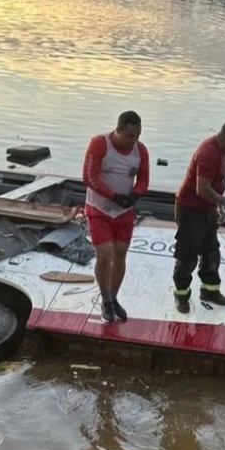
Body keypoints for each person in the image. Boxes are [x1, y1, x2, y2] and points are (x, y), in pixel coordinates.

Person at [172, 119, 225, 314]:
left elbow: (216, 182)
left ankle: (210, 291)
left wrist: (217, 207)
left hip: (207, 209)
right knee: (187, 257)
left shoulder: (222, 151)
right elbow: (202, 189)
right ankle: (181, 296)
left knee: (211, 253)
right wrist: (224, 201)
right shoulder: (208, 152)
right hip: (190, 210)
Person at [82, 110, 150, 322]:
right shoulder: (100, 143)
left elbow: (144, 179)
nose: (133, 141)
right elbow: (88, 176)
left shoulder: (140, 151)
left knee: (120, 253)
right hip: (99, 208)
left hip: (123, 211)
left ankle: (113, 297)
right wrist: (112, 195)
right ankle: (105, 299)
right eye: (129, 136)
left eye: (137, 136)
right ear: (118, 130)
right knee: (105, 254)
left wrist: (136, 194)